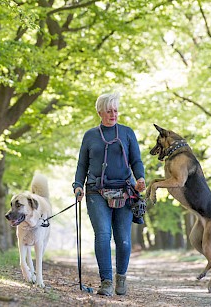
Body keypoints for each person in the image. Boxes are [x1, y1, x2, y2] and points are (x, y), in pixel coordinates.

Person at [72, 93, 146, 296]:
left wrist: (140, 178)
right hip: (96, 191)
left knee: (123, 238)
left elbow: (136, 161)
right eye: (109, 111)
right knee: (103, 235)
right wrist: (78, 185)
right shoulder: (90, 136)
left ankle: (121, 278)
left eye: (116, 110)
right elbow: (82, 165)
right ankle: (106, 282)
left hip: (125, 191)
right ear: (100, 112)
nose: (113, 114)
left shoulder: (127, 133)